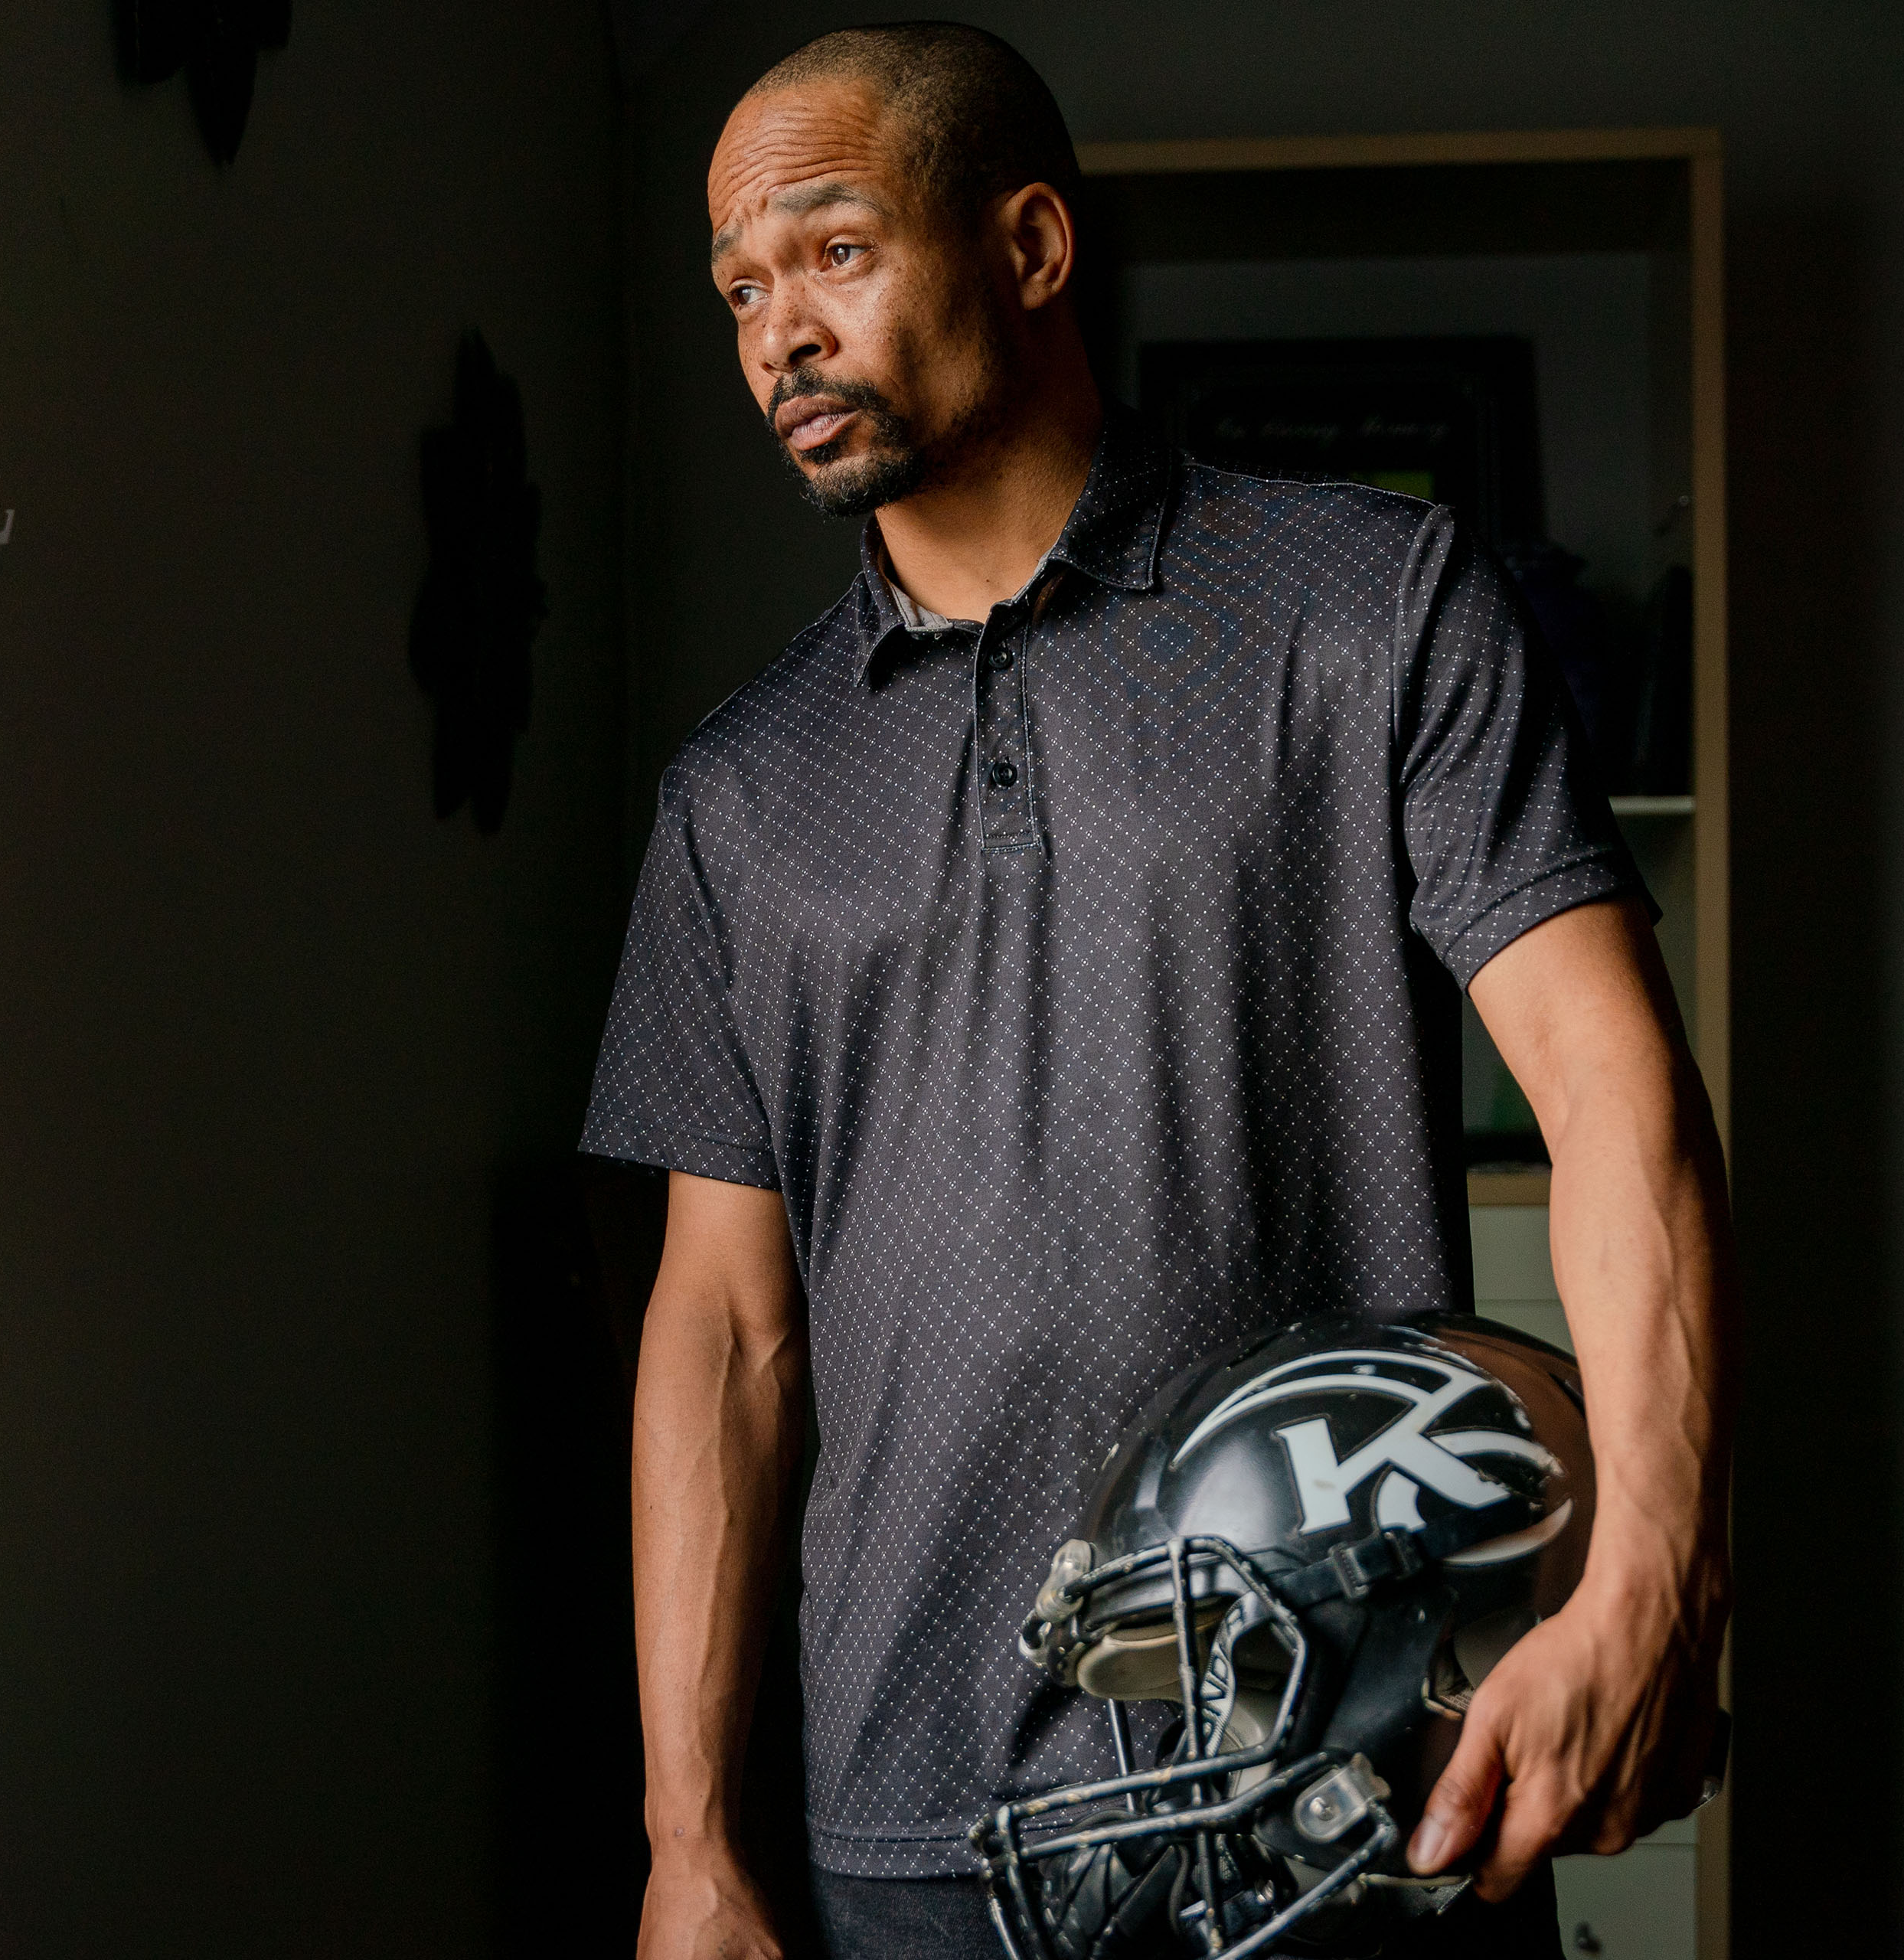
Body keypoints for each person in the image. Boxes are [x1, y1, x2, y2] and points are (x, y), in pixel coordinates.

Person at [581, 23, 1735, 1960]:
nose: (778, 327)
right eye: (740, 286)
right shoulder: (737, 794)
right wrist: (688, 1834)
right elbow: (720, 1325)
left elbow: (1618, 1097)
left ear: (1029, 247)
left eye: (835, 251)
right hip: (908, 1827)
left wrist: (1651, 1582)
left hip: (1335, 1789)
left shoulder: (1373, 611)